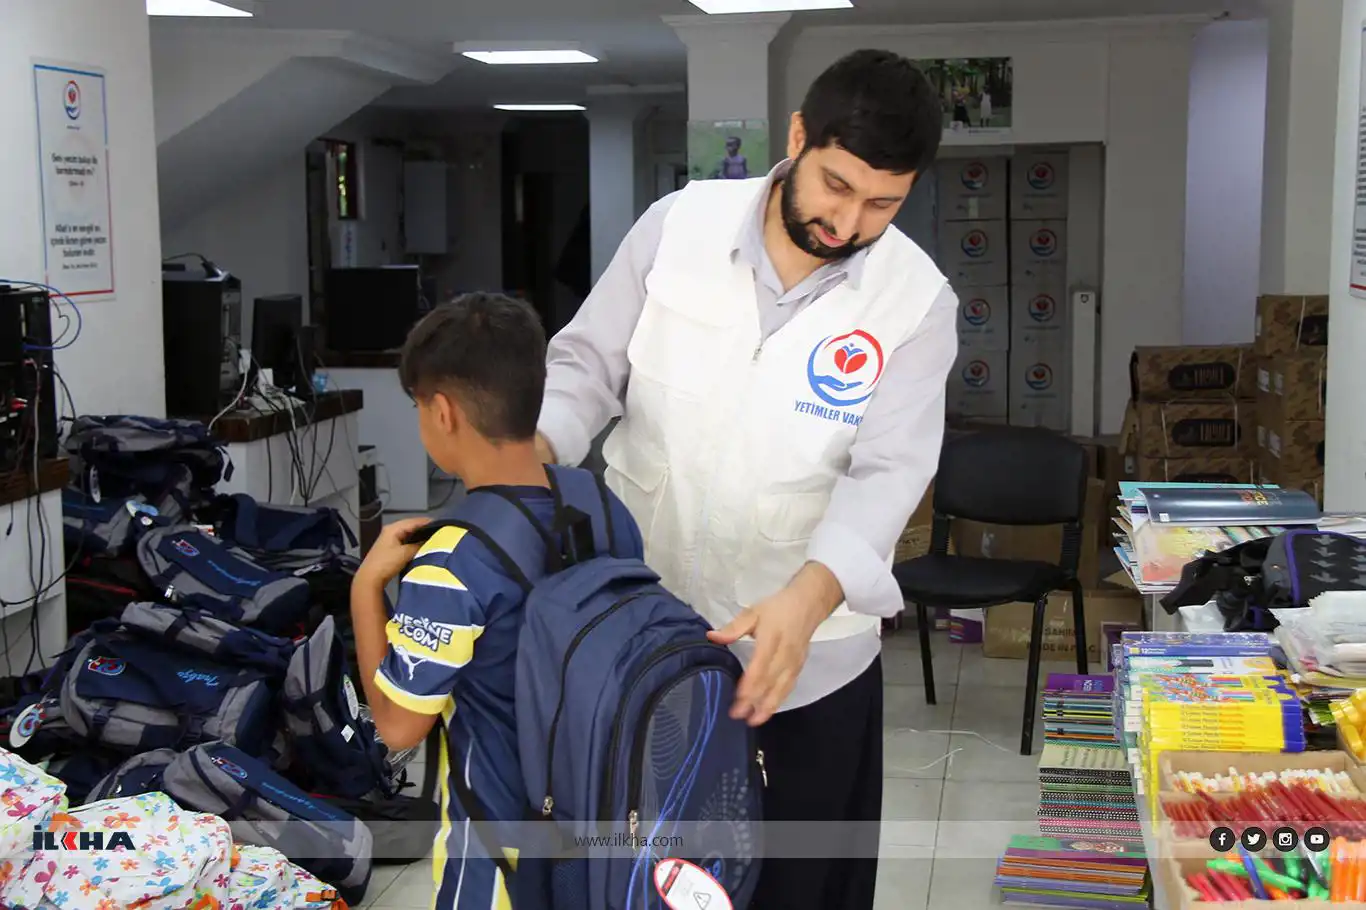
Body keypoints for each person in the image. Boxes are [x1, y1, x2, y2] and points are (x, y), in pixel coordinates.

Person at [534, 48, 958, 910]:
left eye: (882, 204)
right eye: (836, 186)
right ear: (797, 137)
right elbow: (586, 367)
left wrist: (810, 596)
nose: (849, 222)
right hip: (641, 633)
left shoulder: (915, 301)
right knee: (638, 881)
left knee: (799, 888)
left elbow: (890, 472)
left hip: (806, 666)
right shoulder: (678, 227)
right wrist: (529, 461)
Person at [349, 293, 640, 909]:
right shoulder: (603, 504)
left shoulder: (453, 560)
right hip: (608, 838)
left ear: (443, 412)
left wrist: (366, 587)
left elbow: (397, 727)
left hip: (498, 863)